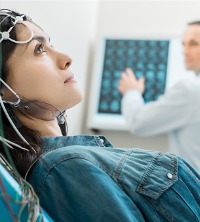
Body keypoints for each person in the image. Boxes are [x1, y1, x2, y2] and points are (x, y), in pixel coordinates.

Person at [0, 9, 199, 222]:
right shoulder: (64, 168)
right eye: (39, 49)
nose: (66, 59)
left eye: (51, 45)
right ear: (5, 91)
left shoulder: (72, 161)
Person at [118, 22, 200, 173]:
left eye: (194, 44)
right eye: (183, 44)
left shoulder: (190, 90)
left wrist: (132, 91)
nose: (185, 51)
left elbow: (138, 122)